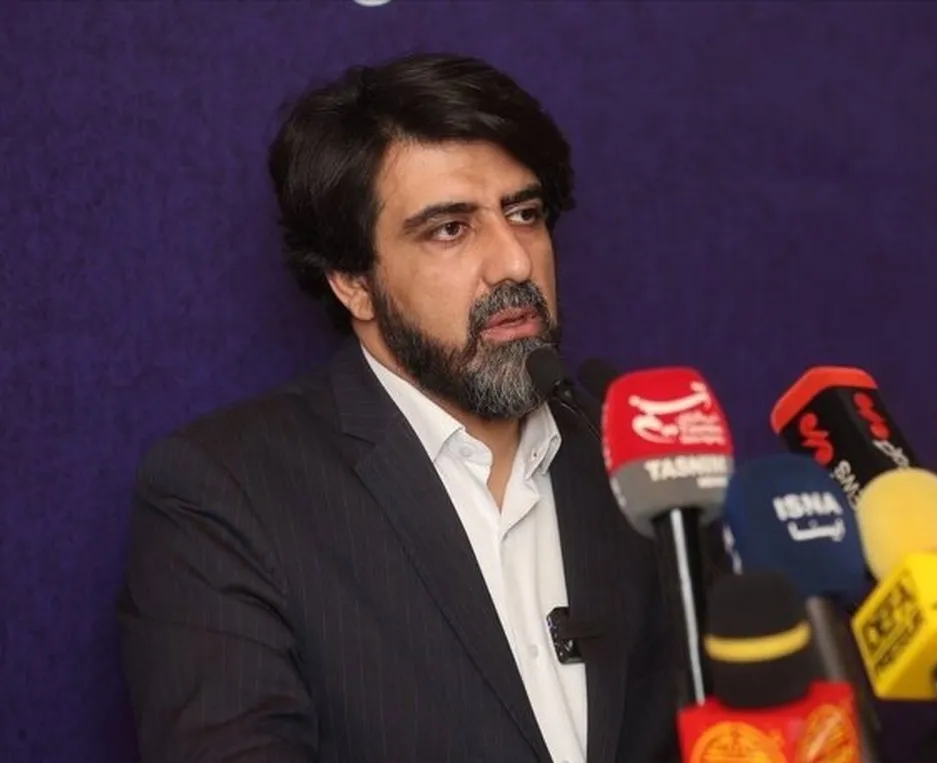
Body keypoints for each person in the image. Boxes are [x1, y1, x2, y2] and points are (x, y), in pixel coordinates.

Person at [116, 52, 684, 763]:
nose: (514, 262)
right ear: (353, 281)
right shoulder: (223, 494)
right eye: (450, 229)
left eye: (525, 213)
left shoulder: (642, 455)